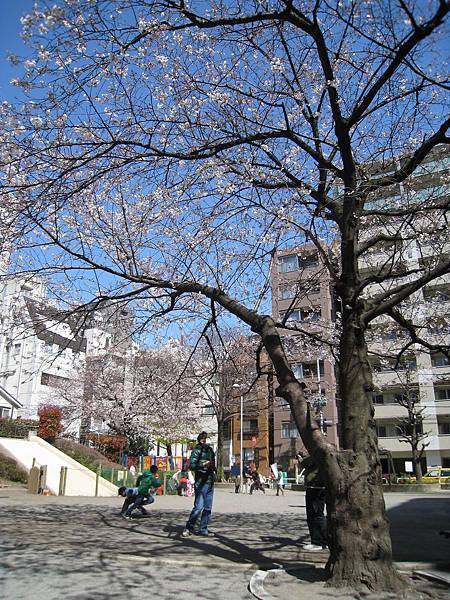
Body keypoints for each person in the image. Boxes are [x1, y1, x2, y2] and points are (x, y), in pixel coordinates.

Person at [182, 431, 216, 537]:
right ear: (200, 440)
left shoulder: (210, 450)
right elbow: (192, 465)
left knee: (208, 507)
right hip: (201, 481)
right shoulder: (196, 450)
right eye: (203, 438)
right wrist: (203, 464)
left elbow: (213, 463)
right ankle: (189, 527)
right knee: (198, 506)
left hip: (210, 480)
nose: (204, 440)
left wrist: (212, 467)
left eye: (206, 438)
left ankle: (203, 529)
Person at [298, 451, 327, 551]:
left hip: (315, 486)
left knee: (314, 515)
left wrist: (301, 458)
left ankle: (318, 541)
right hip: (319, 486)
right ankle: (324, 540)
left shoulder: (317, 452)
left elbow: (305, 463)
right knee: (318, 514)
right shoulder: (322, 451)